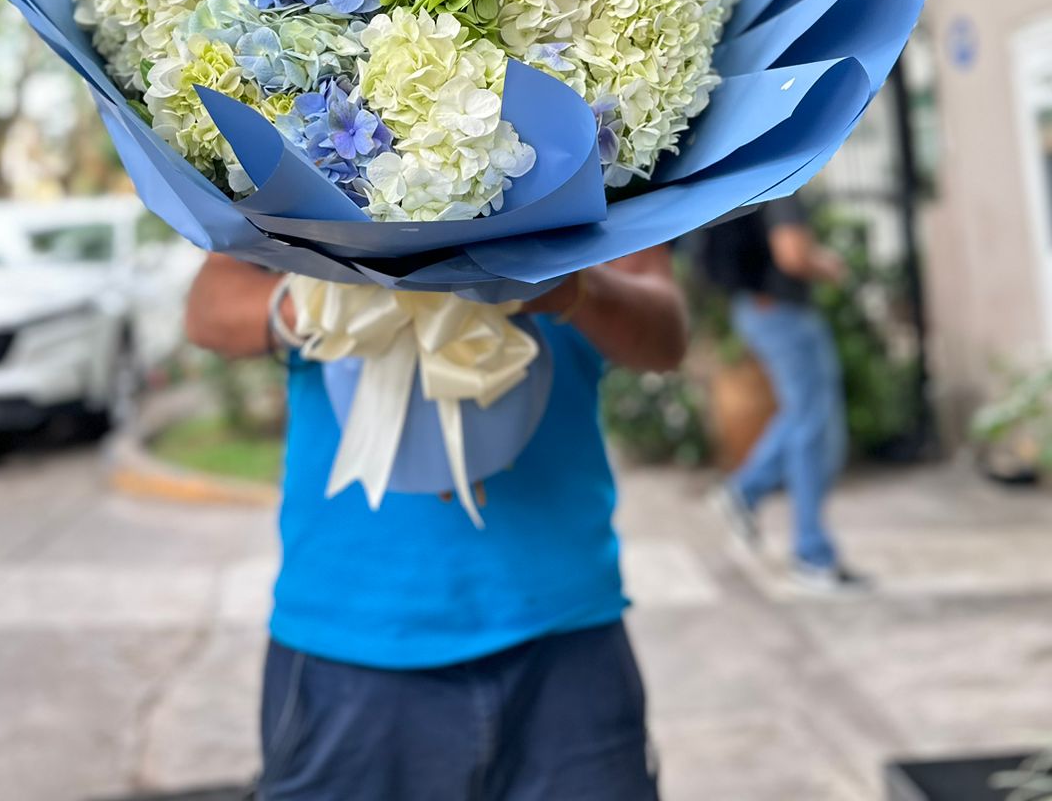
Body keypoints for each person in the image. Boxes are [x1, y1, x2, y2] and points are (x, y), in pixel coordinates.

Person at [185, 246, 687, 800]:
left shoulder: (601, 161)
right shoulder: (286, 166)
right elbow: (210, 310)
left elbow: (665, 334)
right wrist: (338, 297)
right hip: (350, 634)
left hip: (563, 631)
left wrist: (574, 289)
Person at [698, 196, 866, 593]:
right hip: (782, 312)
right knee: (813, 427)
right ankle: (811, 554)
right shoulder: (785, 184)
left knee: (804, 417)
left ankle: (745, 491)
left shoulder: (758, 179)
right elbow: (792, 254)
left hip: (759, 308)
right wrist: (831, 265)